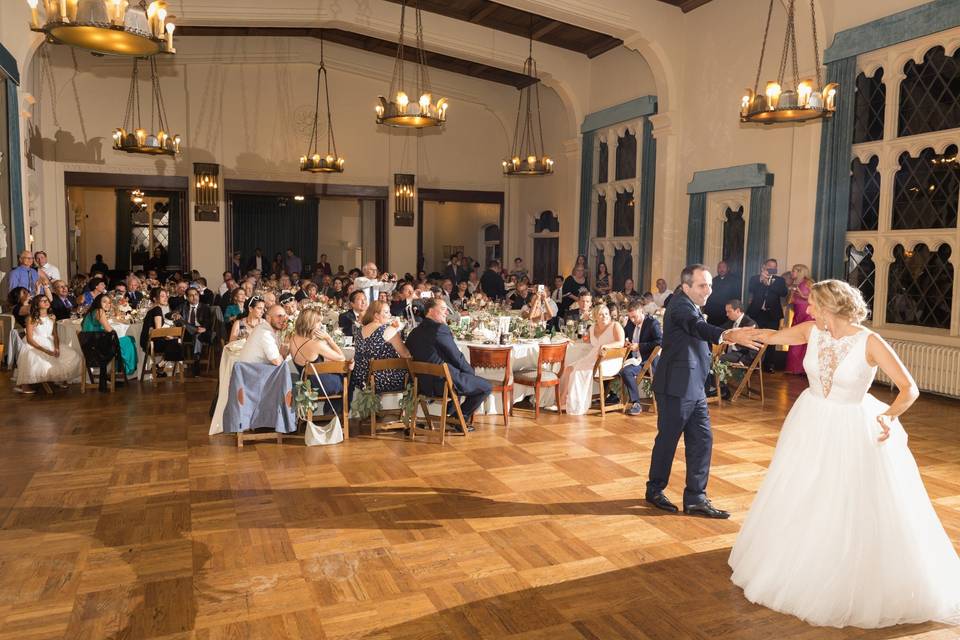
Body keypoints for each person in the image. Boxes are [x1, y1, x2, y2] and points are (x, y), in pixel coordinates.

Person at [729, 280, 960, 628]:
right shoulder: (812, 330)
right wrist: (734, 335)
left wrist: (889, 415)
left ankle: (842, 564)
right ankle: (801, 556)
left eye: (815, 305)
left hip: (851, 426)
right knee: (803, 489)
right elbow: (772, 336)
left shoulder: (870, 341)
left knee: (846, 497)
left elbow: (909, 388)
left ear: (831, 308)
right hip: (810, 420)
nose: (808, 310)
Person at [645, 264, 761, 519]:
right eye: (702, 285)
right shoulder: (681, 306)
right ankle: (654, 490)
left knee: (702, 440)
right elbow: (697, 327)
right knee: (668, 441)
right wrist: (729, 335)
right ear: (686, 287)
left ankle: (696, 498)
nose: (708, 290)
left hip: (694, 386)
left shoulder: (692, 304)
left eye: (709, 284)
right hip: (675, 386)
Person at [405, 297, 491, 425]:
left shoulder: (413, 332)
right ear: (430, 311)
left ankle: (451, 417)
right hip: (442, 384)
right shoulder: (439, 329)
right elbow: (456, 356)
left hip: (421, 384)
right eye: (443, 309)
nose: (446, 313)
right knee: (486, 387)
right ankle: (458, 419)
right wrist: (470, 373)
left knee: (459, 375)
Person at [557, 304, 625, 415]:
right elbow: (586, 341)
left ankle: (575, 404)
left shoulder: (615, 326)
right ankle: (562, 400)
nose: (605, 317)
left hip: (609, 360)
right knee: (568, 369)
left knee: (578, 371)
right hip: (593, 357)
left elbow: (620, 343)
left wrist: (607, 346)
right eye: (601, 315)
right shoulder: (592, 328)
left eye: (606, 314)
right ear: (595, 317)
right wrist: (572, 341)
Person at [14, 295, 80, 394]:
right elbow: (30, 339)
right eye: (42, 301)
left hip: (51, 341)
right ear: (37, 304)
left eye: (47, 300)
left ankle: (60, 379)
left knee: (73, 355)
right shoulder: (31, 318)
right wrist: (46, 350)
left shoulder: (52, 317)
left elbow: (55, 334)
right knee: (39, 362)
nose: (46, 302)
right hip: (35, 344)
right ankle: (25, 385)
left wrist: (57, 347)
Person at [287, 307, 346, 416]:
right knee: (345, 380)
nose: (320, 325)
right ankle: (332, 415)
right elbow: (341, 357)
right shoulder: (316, 344)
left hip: (306, 384)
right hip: (319, 385)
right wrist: (329, 339)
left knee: (339, 375)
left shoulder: (292, 339)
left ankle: (330, 414)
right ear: (310, 323)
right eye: (318, 322)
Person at [352, 300, 412, 398]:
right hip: (383, 380)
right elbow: (406, 355)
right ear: (376, 315)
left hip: (362, 379)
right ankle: (408, 408)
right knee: (415, 375)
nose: (390, 315)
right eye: (386, 312)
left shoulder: (360, 330)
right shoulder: (388, 330)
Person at [81, 293, 138, 384]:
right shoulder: (99, 311)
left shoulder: (91, 312)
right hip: (97, 348)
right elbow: (109, 330)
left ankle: (113, 372)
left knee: (126, 340)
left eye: (109, 303)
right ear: (98, 302)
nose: (107, 304)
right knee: (129, 340)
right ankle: (124, 369)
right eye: (104, 302)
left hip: (89, 347)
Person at [620, 300, 663, 416]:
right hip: (634, 360)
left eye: (634, 317)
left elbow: (660, 342)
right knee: (622, 370)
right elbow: (623, 336)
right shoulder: (630, 322)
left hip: (648, 362)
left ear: (641, 311)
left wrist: (639, 346)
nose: (632, 320)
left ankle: (636, 404)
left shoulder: (652, 323)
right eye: (630, 317)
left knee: (626, 371)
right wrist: (625, 342)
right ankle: (628, 401)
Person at [747, 258, 789, 373]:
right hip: (757, 314)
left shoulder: (779, 280)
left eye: (774, 267)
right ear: (764, 267)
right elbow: (750, 288)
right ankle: (755, 364)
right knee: (756, 339)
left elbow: (784, 293)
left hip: (772, 315)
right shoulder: (755, 278)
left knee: (771, 340)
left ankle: (769, 365)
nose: (772, 269)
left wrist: (770, 284)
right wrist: (761, 279)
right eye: (770, 266)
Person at [168, 287, 213, 376]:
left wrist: (205, 328)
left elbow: (209, 321)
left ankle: (196, 361)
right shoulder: (183, 306)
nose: (194, 297)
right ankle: (194, 330)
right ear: (187, 297)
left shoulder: (205, 307)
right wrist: (174, 314)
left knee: (197, 336)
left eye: (196, 294)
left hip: (201, 332)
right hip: (187, 333)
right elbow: (169, 314)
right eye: (191, 295)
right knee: (179, 320)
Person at [140, 287, 181, 371]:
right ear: (155, 299)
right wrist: (169, 336)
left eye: (166, 296)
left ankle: (160, 366)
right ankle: (159, 366)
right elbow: (158, 331)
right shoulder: (157, 309)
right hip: (150, 342)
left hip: (148, 340)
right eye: (162, 296)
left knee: (175, 342)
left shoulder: (152, 309)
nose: (166, 298)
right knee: (176, 343)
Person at [785, 263, 813, 374]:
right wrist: (791, 292)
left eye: (794, 271)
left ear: (800, 271)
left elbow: (816, 297)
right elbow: (790, 301)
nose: (792, 273)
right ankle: (794, 368)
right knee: (795, 339)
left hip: (807, 315)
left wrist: (803, 296)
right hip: (798, 314)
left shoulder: (809, 283)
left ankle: (803, 369)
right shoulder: (795, 284)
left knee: (805, 341)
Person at [719, 299, 758, 366]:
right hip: (732, 352)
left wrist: (743, 361)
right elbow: (719, 330)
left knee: (718, 358)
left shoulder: (750, 324)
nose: (727, 314)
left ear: (737, 311)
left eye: (729, 312)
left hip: (744, 356)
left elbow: (753, 349)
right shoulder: (731, 321)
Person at [703, 260, 740, 326]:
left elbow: (736, 297)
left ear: (728, 268)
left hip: (726, 312)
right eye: (719, 267)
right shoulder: (713, 280)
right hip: (713, 312)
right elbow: (709, 296)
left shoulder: (734, 281)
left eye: (723, 267)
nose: (721, 269)